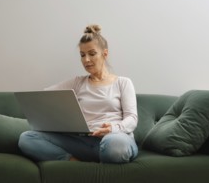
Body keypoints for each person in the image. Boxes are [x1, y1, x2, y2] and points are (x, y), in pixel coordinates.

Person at [18, 24, 138, 164]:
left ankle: (101, 163)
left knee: (116, 147)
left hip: (114, 138)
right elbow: (43, 96)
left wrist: (112, 129)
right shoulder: (77, 83)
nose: (86, 60)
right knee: (27, 138)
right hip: (82, 142)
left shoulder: (123, 82)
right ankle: (74, 163)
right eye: (82, 55)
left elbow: (132, 118)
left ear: (105, 54)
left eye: (92, 54)